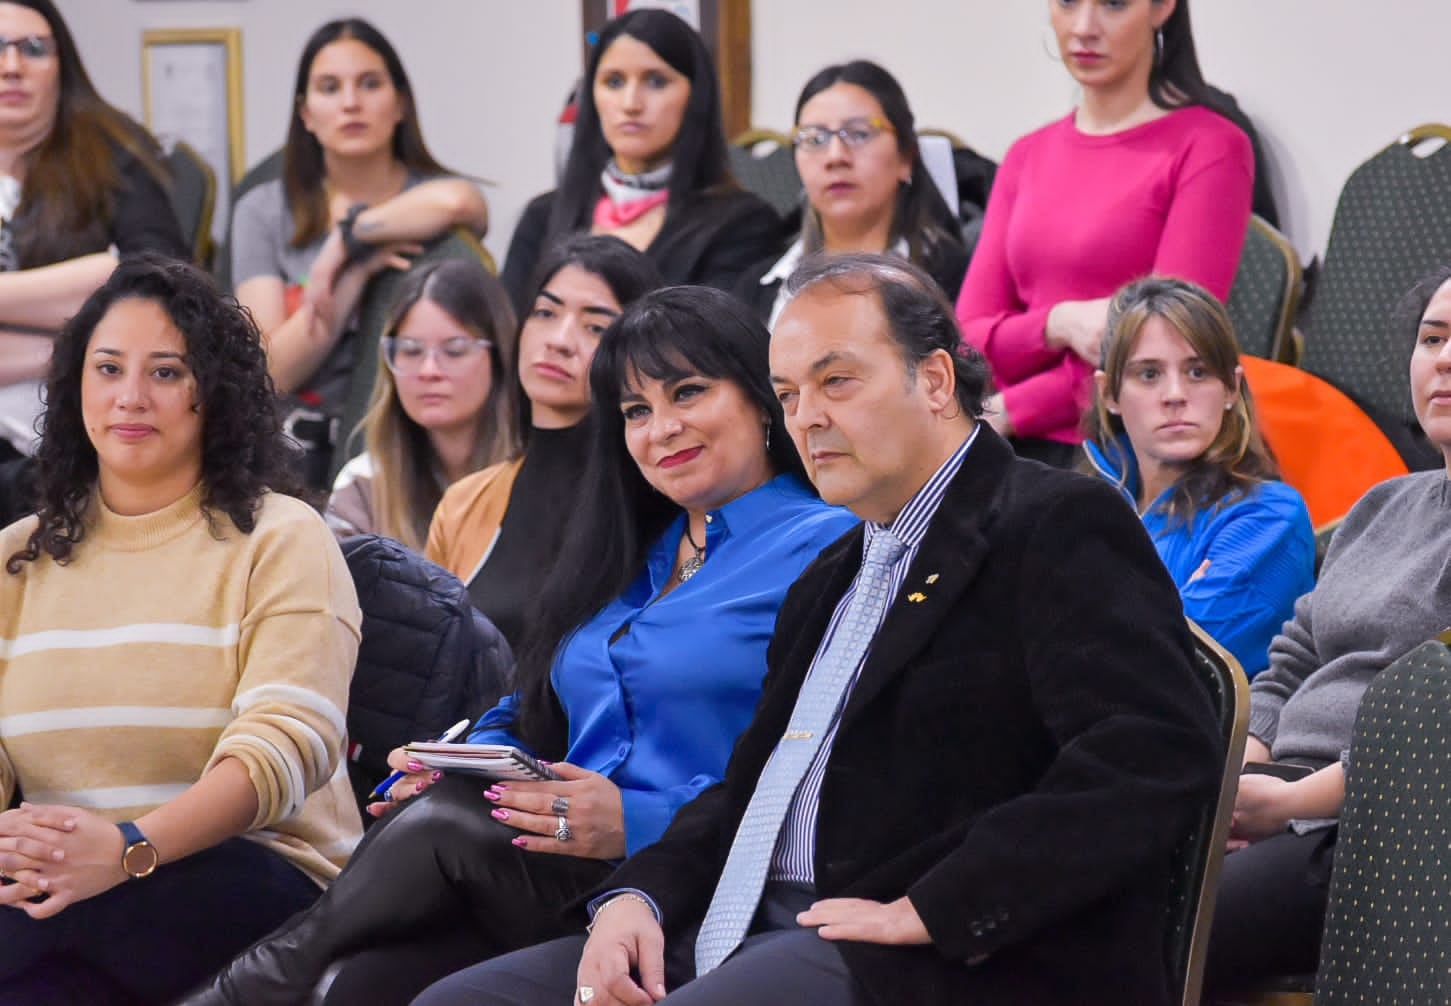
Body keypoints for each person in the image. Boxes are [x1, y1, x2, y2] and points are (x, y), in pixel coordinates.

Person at [414, 254, 1222, 1006]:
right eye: (790, 393)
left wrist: (940, 906)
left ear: (934, 379)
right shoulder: (830, 572)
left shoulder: (1052, 521)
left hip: (942, 949)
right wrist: (639, 894)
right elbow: (751, 788)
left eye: (836, 381)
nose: (807, 417)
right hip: (749, 920)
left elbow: (1149, 749)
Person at [180, 284, 859, 1006]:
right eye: (635, 411)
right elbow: (536, 705)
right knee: (357, 984)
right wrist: (459, 758)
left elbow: (817, 760)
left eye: (687, 393)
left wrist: (637, 819)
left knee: (436, 832)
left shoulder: (826, 543)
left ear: (761, 400)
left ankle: (232, 995)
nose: (661, 428)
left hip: (684, 876)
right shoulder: (633, 548)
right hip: (545, 859)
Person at [0, 254, 362, 1005]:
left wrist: (129, 847)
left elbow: (286, 746)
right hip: (64, 894)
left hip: (256, 883)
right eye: (108, 369)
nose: (131, 396)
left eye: (166, 372)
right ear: (75, 388)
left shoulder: (282, 537)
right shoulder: (15, 557)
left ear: (213, 393)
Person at [1203, 264, 1451, 995]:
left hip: (1392, 829)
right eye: (1431, 337)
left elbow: (1436, 738)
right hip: (1278, 791)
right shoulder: (1384, 506)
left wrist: (1285, 803)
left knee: (1161, 918)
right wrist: (1242, 768)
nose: (1442, 359)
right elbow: (1291, 659)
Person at [955, 0, 1253, 468]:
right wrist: (1059, 324)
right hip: (1004, 438)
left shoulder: (1211, 146)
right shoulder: (1027, 155)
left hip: (1124, 447)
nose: (1084, 27)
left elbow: (1164, 344)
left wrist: (1013, 408)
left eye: (1113, 4)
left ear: (1161, 8)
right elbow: (969, 338)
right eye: (1067, 3)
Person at [230, 18, 490, 487]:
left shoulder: (430, 203)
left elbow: (463, 202)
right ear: (305, 114)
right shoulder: (263, 210)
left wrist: (345, 239)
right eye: (330, 88)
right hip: (287, 455)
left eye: (370, 84)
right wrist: (353, 276)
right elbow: (269, 372)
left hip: (409, 452)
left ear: (401, 104)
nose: (351, 102)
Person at [0, 0, 188, 523]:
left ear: (64, 63)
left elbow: (161, 278)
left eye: (33, 49)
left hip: (79, 443)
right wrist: (76, 323)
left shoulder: (112, 153)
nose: (12, 65)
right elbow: (120, 282)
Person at [425, 234, 661, 649]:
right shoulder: (465, 504)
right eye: (546, 312)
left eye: (595, 326)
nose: (559, 340)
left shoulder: (655, 499)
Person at [1084, 276, 1314, 678]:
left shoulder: (1269, 517)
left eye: (1197, 372)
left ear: (1231, 387)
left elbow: (1163, 661)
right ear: (1109, 394)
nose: (1175, 394)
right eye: (1149, 374)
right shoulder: (1079, 504)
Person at [499, 8, 782, 313]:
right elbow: (508, 343)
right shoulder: (543, 217)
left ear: (696, 96)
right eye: (614, 82)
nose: (631, 103)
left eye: (656, 82)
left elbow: (713, 351)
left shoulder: (743, 224)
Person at [736, 60, 967, 326]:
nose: (835, 157)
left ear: (906, 157)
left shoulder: (957, 278)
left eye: (859, 134)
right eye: (814, 139)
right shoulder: (758, 286)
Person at [325, 258, 518, 548]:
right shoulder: (362, 485)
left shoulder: (536, 476)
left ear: (499, 358)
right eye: (410, 351)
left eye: (454, 351)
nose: (429, 371)